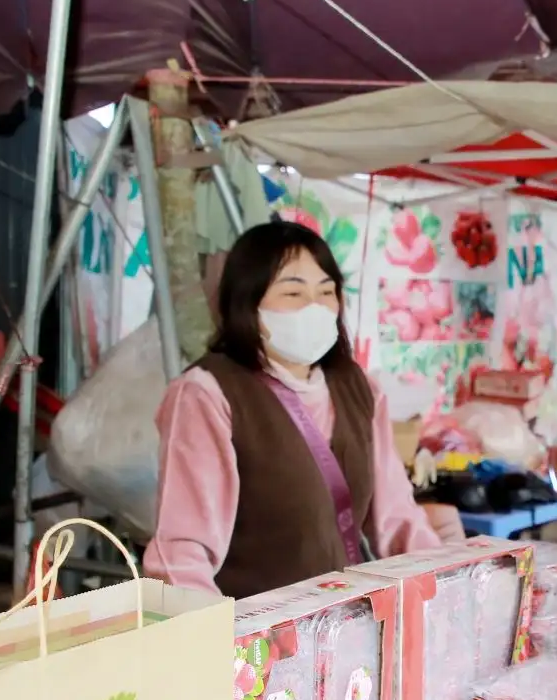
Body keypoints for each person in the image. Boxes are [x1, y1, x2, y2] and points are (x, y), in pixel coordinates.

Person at [145, 221, 440, 597]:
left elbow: (398, 519)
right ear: (248, 303)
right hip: (253, 634)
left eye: (326, 291)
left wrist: (445, 582)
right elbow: (181, 551)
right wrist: (220, 639)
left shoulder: (360, 389)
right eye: (293, 293)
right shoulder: (206, 394)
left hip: (340, 625)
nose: (315, 307)